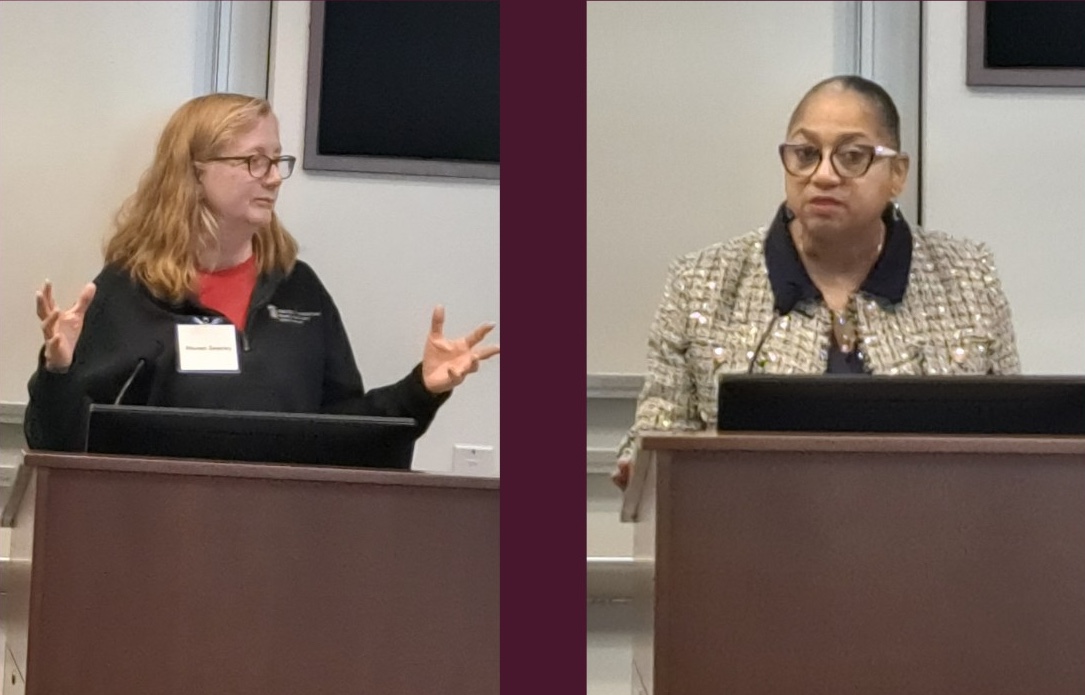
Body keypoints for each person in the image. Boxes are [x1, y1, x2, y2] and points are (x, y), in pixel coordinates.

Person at [26, 92, 499, 452]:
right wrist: (59, 372)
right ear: (193, 173)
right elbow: (63, 445)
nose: (273, 177)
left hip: (282, 544)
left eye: (277, 161)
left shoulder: (299, 289)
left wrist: (421, 390)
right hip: (155, 543)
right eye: (254, 161)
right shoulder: (128, 289)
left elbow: (340, 432)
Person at [613, 75, 1019, 488]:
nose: (823, 175)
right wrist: (641, 464)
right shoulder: (701, 281)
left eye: (852, 155)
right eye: (806, 154)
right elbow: (658, 431)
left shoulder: (968, 275)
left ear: (897, 173)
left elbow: (1018, 438)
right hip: (752, 536)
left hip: (931, 534)